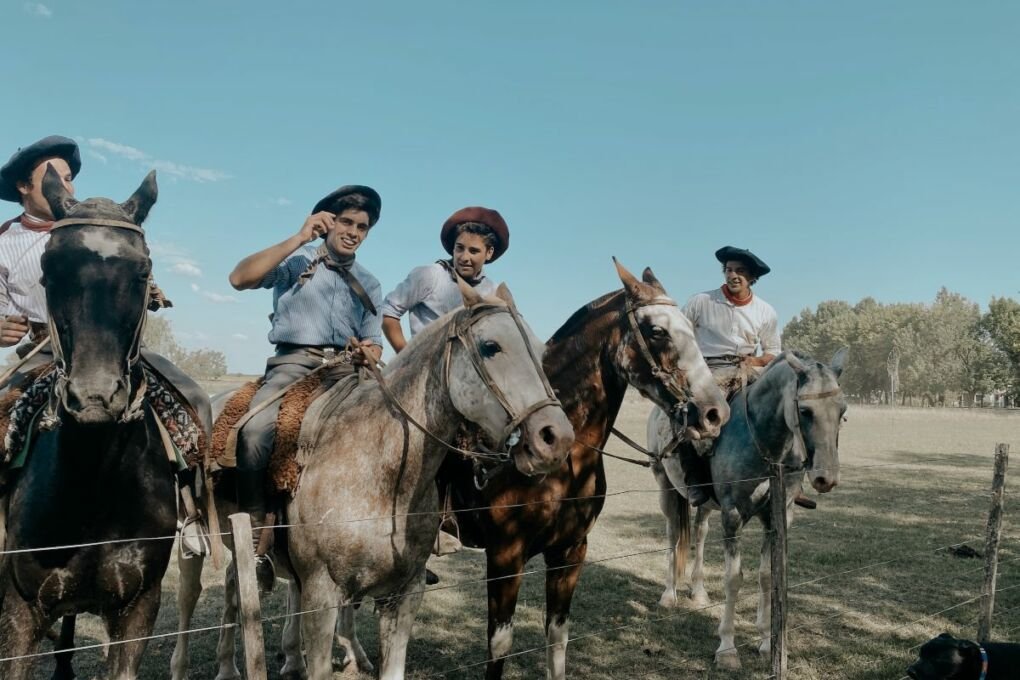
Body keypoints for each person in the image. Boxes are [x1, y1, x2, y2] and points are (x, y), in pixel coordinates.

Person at [0, 135, 212, 553]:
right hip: (44, 350)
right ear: (26, 187)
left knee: (195, 400)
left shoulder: (102, 231)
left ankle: (190, 509)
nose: (67, 188)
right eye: (55, 179)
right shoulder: (3, 242)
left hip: (114, 347)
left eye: (70, 179)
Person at [228, 184, 383, 590]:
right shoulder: (296, 261)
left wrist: (369, 352)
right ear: (327, 223)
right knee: (254, 432)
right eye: (346, 222)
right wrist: (299, 237)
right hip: (293, 364)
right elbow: (238, 278)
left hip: (346, 373)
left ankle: (401, 541)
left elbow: (375, 344)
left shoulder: (369, 283)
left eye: (362, 226)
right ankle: (254, 548)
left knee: (398, 427)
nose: (353, 231)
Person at [679, 246, 787, 507]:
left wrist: (756, 360)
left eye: (740, 271)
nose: (733, 275)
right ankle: (695, 480)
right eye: (729, 270)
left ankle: (791, 481)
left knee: (786, 410)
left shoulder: (765, 311)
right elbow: (680, 336)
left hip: (750, 370)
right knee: (689, 415)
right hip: (709, 371)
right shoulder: (701, 302)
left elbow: (773, 352)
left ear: (751, 278)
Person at [380, 206, 508, 352]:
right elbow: (388, 311)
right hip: (424, 367)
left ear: (489, 252)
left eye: (474, 251)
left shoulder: (493, 290)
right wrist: (406, 356)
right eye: (460, 248)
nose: (464, 257)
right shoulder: (429, 275)